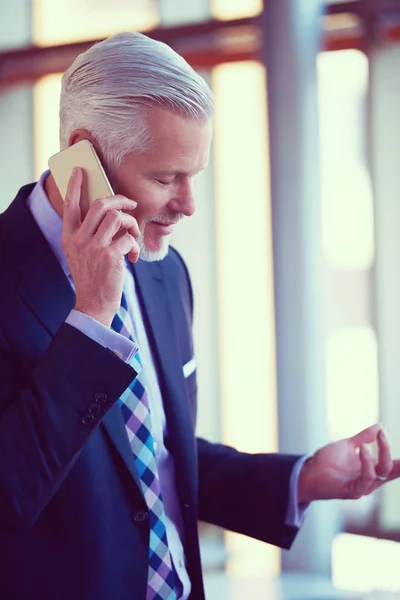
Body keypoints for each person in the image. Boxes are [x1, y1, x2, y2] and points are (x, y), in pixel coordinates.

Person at [0, 31, 398, 600]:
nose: (188, 204)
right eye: (166, 179)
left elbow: (155, 459)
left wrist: (302, 478)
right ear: (82, 158)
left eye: (195, 176)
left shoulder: (163, 270)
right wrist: (90, 318)